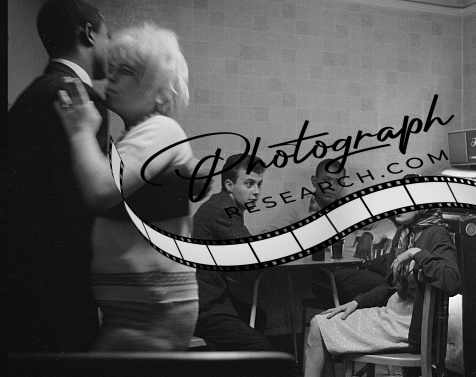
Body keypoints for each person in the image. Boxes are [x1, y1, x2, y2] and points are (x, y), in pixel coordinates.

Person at [54, 23, 199, 351]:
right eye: (113, 68)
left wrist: (80, 129)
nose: (112, 78)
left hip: (156, 309)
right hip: (140, 305)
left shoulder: (162, 129)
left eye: (128, 71)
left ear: (161, 92)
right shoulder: (137, 136)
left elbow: (101, 190)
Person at [2, 0, 110, 353]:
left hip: (22, 271)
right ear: (90, 34)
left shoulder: (31, 95)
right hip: (65, 275)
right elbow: (89, 195)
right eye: (108, 36)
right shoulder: (81, 98)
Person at [303, 206, 461, 377]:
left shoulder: (437, 234)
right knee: (318, 324)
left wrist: (416, 253)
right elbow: (389, 286)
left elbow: (453, 281)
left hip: (410, 327)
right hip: (391, 317)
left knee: (318, 327)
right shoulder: (403, 233)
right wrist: (357, 302)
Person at [260, 159, 390, 303]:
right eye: (326, 180)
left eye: (338, 181)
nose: (331, 186)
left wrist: (369, 235)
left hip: (357, 268)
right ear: (314, 181)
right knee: (385, 283)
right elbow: (267, 235)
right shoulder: (297, 209)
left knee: (396, 270)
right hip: (325, 277)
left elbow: (388, 225)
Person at [192, 154, 271, 351]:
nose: (256, 192)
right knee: (261, 348)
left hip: (207, 296)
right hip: (205, 306)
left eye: (259, 185)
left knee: (258, 316)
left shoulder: (221, 204)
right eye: (249, 184)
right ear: (229, 185)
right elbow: (253, 252)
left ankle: (237, 367)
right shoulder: (222, 209)